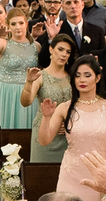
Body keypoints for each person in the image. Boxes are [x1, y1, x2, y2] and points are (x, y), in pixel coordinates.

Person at [41, 55, 106, 201]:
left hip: (100, 177)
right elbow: (44, 140)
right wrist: (46, 118)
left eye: (87, 75)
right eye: (77, 75)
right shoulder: (64, 108)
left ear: (97, 77)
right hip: (71, 175)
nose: (82, 79)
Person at [0, 8, 39, 201]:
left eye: (21, 23)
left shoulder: (35, 46)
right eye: (14, 24)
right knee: (3, 138)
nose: (18, 27)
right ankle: (1, 190)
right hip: (5, 96)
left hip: (28, 97)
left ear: (26, 24)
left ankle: (24, 188)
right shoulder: (3, 44)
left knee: (27, 138)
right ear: (9, 26)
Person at [22, 33, 73, 164]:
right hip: (44, 132)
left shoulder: (73, 77)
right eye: (60, 49)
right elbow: (25, 102)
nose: (63, 54)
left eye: (68, 52)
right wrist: (28, 83)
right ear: (51, 49)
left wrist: (69, 123)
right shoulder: (40, 76)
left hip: (67, 135)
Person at [36, 0, 104, 68]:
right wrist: (52, 39)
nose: (73, 6)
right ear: (63, 7)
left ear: (82, 5)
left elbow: (103, 60)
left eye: (76, 2)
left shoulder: (97, 31)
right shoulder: (56, 30)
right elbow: (44, 62)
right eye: (68, 3)